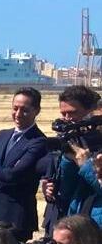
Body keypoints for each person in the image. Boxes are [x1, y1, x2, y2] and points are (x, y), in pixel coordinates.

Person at [0, 87, 47, 239]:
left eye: (25, 110)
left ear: (37, 111)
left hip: (16, 216)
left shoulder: (39, 141)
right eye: (15, 108)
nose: (18, 114)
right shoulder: (2, 135)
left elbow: (14, 175)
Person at [40, 85, 102, 231]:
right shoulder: (74, 142)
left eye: (72, 113)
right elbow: (67, 191)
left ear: (91, 112)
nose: (67, 119)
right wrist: (51, 189)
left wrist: (85, 164)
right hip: (75, 221)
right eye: (63, 114)